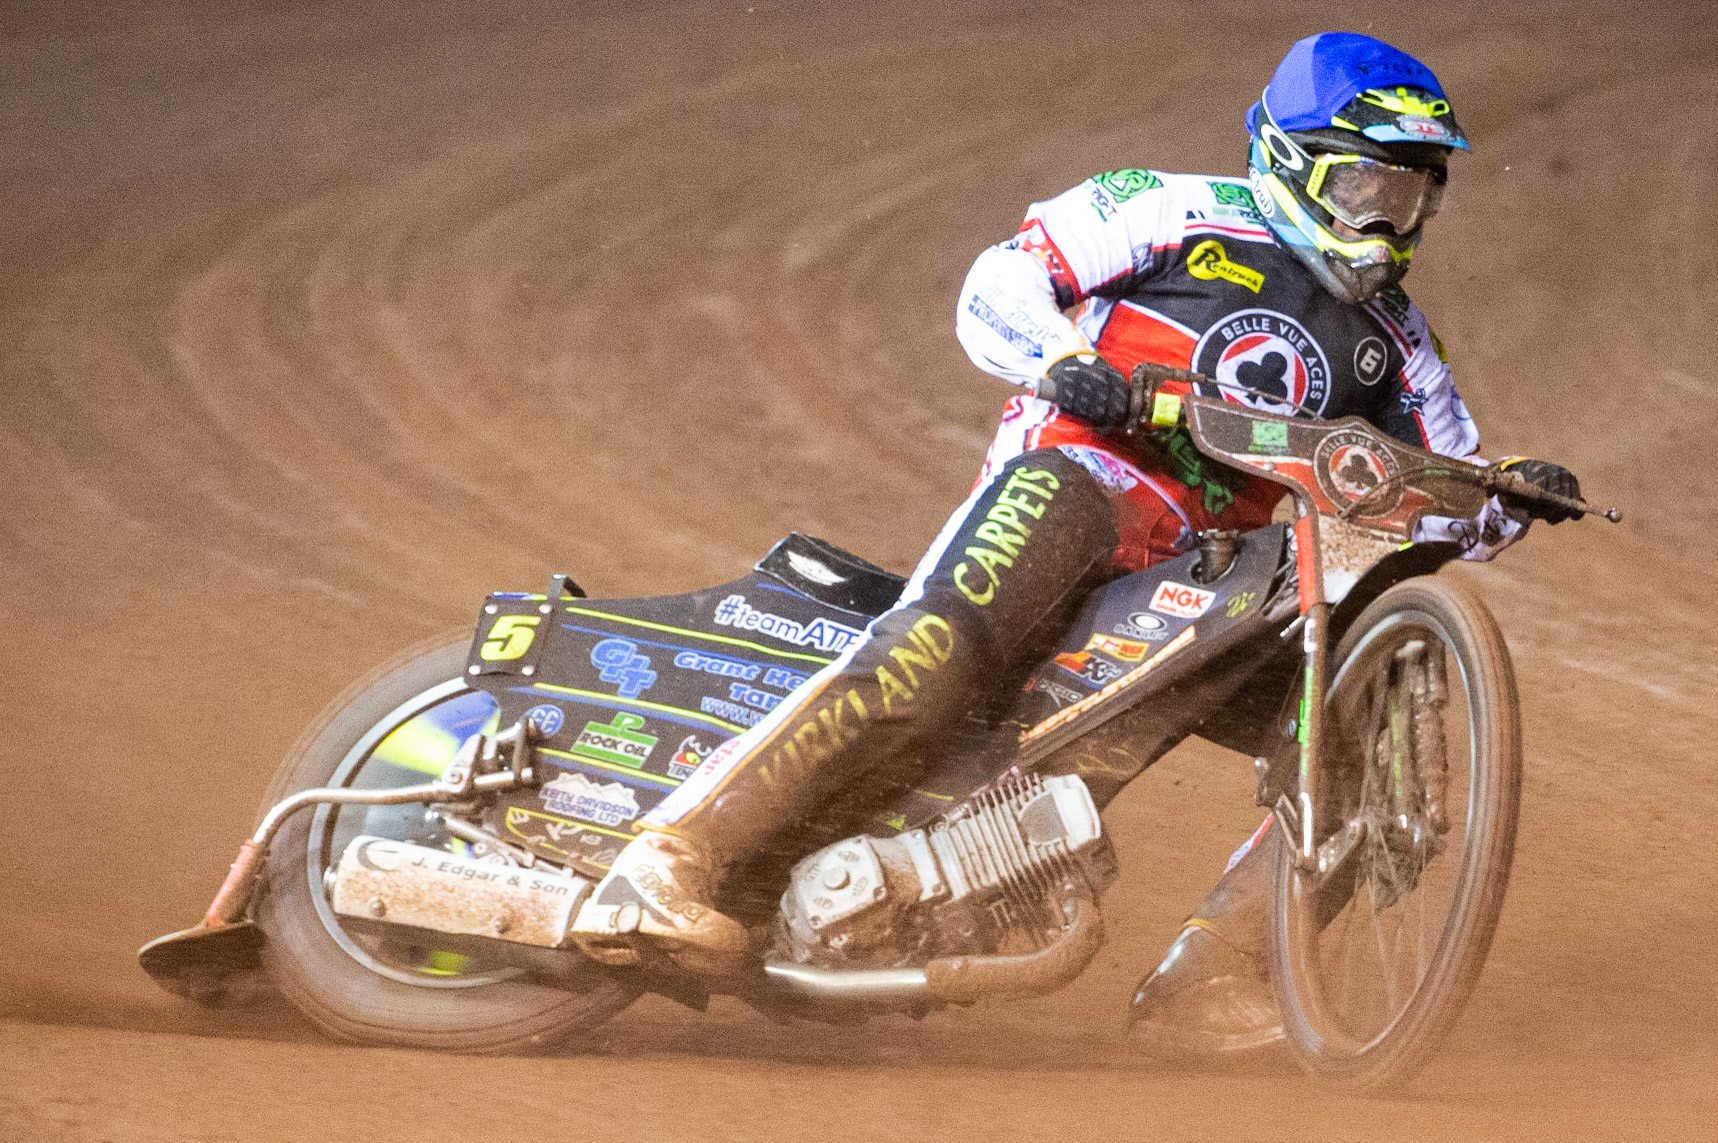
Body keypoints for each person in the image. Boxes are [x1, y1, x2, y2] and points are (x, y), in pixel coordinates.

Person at [569, 31, 1580, 1053]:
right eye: (1361, 185)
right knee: (931, 658)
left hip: (1206, 571)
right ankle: (666, 859)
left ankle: (1214, 980)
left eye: (1407, 198)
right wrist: (1060, 361)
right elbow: (993, 286)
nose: (1381, 222)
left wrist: (1513, 496)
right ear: (1288, 158)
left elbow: (1450, 489)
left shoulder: (1398, 342)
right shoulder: (1162, 210)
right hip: (1077, 483)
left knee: (1353, 750)